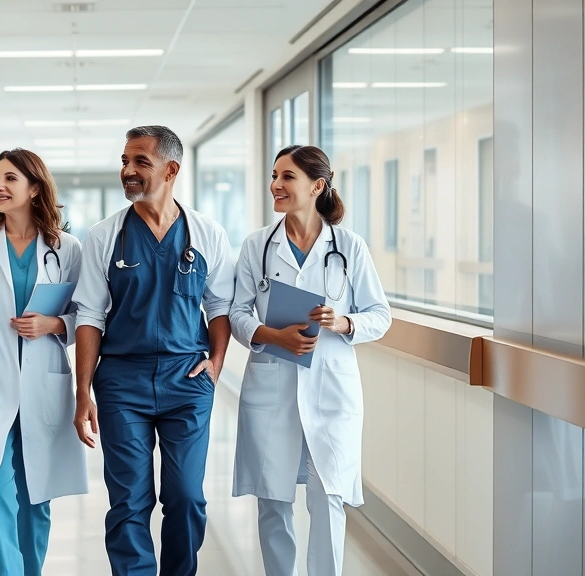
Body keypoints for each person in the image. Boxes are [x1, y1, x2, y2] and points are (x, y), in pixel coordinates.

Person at [72, 126, 235, 576]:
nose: (128, 171)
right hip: (123, 381)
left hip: (187, 379)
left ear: (171, 169)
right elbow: (90, 315)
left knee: (186, 497)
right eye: (125, 161)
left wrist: (216, 364)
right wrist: (82, 391)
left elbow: (220, 305)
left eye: (140, 162)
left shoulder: (206, 233)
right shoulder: (106, 236)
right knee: (129, 500)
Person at [229, 145, 391, 576]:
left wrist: (342, 322)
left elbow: (381, 316)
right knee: (273, 500)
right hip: (272, 385)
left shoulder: (349, 247)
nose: (275, 185)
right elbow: (238, 313)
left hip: (330, 389)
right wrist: (270, 334)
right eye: (274, 175)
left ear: (317, 186)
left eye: (287, 177)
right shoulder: (257, 245)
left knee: (328, 498)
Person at [0, 148, 88, 575]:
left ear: (35, 188)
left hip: (42, 385)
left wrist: (53, 325)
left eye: (11, 178)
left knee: (37, 500)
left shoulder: (65, 247)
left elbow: (86, 315)